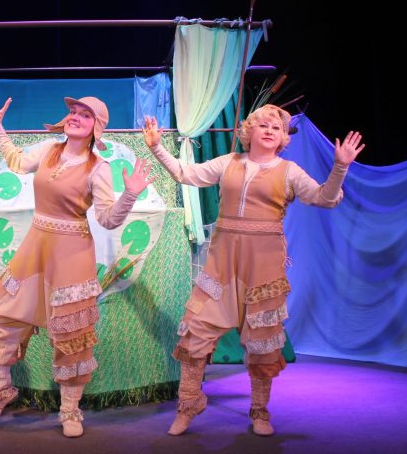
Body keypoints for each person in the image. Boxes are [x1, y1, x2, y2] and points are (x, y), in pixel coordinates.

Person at [143, 104, 364, 437]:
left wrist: (340, 166)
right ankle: (189, 404)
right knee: (196, 332)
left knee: (262, 342)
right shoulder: (229, 162)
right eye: (263, 125)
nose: (270, 130)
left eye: (277, 128)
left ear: (283, 138)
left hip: (263, 268)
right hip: (222, 265)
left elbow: (324, 198)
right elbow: (185, 173)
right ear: (250, 131)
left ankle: (260, 411)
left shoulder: (289, 171)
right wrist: (157, 147)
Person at [0, 96, 154, 438]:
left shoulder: (99, 168)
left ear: (96, 127)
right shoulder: (48, 150)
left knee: (73, 335)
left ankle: (70, 411)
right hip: (35, 248)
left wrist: (130, 195)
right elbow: (17, 162)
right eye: (73, 111)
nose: (75, 117)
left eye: (85, 115)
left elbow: (107, 219)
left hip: (72, 254)